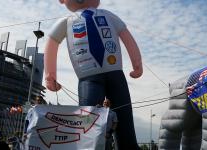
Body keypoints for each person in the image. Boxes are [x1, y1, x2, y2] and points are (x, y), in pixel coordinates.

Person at [44, 0, 142, 149]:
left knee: (124, 117)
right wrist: (50, 75)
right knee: (88, 119)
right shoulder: (66, 22)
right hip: (88, 78)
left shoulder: (108, 16)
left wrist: (137, 63)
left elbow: (125, 35)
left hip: (114, 73)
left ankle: (128, 146)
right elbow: (52, 42)